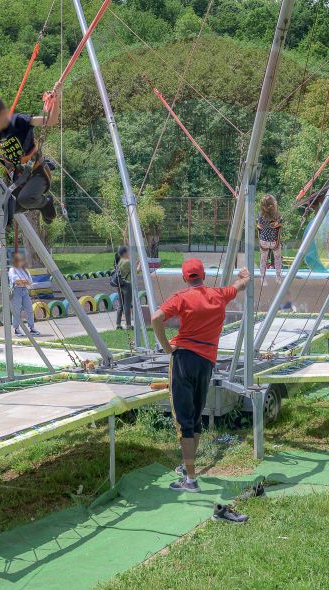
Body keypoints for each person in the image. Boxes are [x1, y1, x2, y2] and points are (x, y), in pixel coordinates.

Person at [151, 259, 251, 493]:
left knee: (184, 420)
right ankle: (188, 470)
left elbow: (156, 318)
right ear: (203, 275)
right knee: (196, 417)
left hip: (184, 360)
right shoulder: (218, 294)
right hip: (206, 362)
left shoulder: (181, 297)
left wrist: (167, 347)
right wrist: (244, 275)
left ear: (185, 278)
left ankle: (191, 480)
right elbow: (239, 286)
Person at [0, 89, 61, 226]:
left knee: (25, 199)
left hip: (36, 171)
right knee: (8, 208)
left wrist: (55, 100)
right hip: (19, 176)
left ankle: (45, 202)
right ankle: (37, 203)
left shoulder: (19, 121)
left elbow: (51, 120)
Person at [8, 253, 39, 336]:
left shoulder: (25, 270)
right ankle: (16, 329)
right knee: (16, 310)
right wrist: (24, 281)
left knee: (29, 309)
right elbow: (16, 281)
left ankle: (32, 328)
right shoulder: (12, 270)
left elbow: (30, 281)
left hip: (25, 290)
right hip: (16, 291)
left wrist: (22, 281)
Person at [257, 194, 283, 283]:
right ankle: (278, 277)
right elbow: (278, 225)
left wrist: (265, 226)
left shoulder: (260, 215)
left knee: (263, 259)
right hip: (274, 241)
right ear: (273, 205)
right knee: (277, 259)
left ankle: (263, 278)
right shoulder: (277, 215)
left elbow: (260, 226)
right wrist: (276, 224)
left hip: (264, 240)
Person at [112, 246, 133, 331]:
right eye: (127, 252)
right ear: (124, 253)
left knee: (120, 305)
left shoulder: (119, 261)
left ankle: (118, 324)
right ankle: (128, 325)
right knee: (127, 305)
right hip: (127, 285)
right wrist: (139, 264)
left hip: (119, 285)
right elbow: (136, 271)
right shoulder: (127, 262)